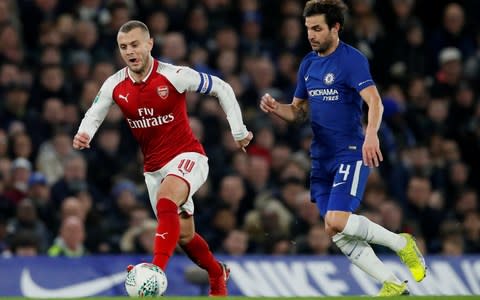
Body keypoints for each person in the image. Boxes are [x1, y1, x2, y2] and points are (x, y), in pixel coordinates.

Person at [73, 20, 253, 296]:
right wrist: (84, 133)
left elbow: (222, 88)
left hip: (188, 156)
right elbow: (95, 112)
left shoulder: (174, 75)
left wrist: (238, 131)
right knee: (183, 236)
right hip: (153, 168)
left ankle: (155, 270)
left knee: (167, 198)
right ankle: (217, 273)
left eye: (134, 44)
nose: (130, 51)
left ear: (149, 44)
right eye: (123, 47)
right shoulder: (115, 84)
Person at [259, 0, 426, 296]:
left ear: (335, 27)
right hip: (320, 156)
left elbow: (375, 100)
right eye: (308, 28)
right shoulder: (308, 64)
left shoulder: (351, 60)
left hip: (349, 150)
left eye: (317, 28)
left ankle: (403, 244)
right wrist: (276, 109)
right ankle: (392, 283)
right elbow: (298, 113)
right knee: (334, 229)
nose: (311, 35)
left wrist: (371, 134)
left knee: (337, 219)